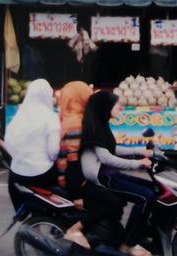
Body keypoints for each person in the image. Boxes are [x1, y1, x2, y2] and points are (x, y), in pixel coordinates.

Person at [80, 90, 154, 256]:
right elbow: (106, 158)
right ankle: (128, 243)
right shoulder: (95, 128)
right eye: (116, 103)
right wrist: (137, 163)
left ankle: (142, 232)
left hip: (110, 173)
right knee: (145, 197)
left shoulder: (102, 124)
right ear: (105, 107)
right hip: (103, 176)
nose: (119, 106)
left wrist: (141, 151)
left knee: (154, 189)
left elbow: (113, 148)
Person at [56, 81, 125, 250]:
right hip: (75, 181)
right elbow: (72, 161)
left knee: (119, 199)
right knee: (114, 203)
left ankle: (108, 238)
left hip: (80, 177)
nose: (90, 95)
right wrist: (77, 193)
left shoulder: (74, 118)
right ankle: (76, 228)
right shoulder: (75, 124)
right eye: (86, 93)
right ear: (79, 97)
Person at [4, 79, 60, 211]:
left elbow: (8, 143)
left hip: (17, 173)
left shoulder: (19, 116)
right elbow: (54, 152)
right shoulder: (51, 117)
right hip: (42, 173)